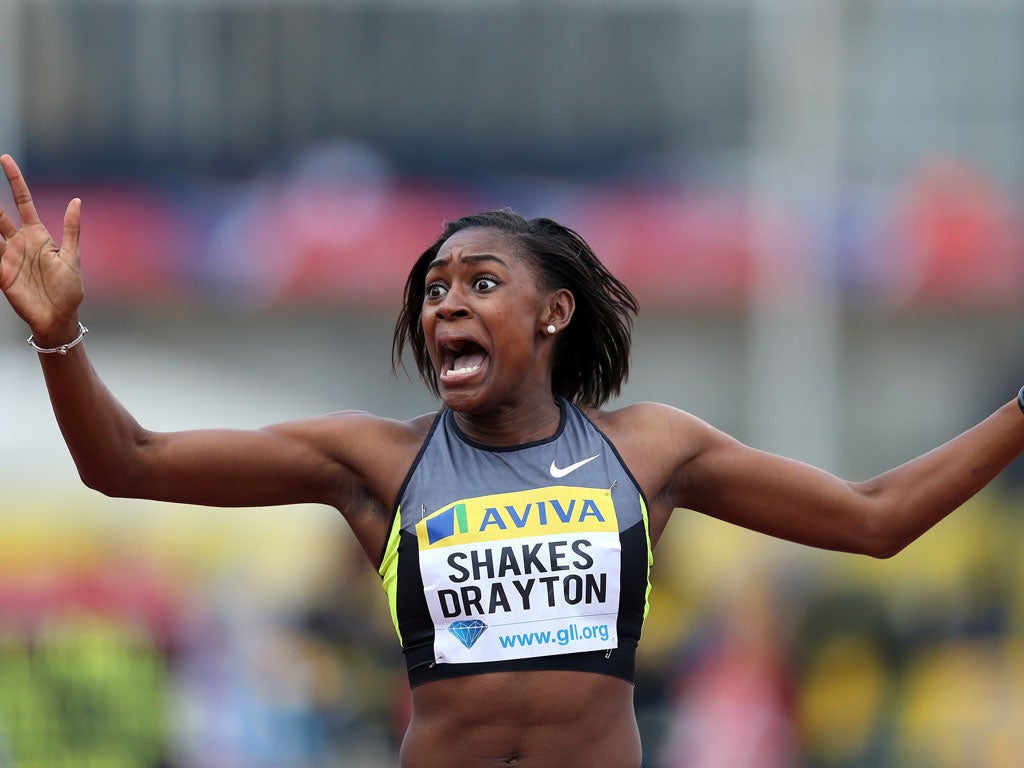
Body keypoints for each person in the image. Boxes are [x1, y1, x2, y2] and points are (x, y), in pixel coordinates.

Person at [2, 151, 1024, 768]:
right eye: (433, 288)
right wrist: (57, 339)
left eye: (479, 281)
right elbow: (124, 461)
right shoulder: (375, 462)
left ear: (552, 313)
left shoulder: (649, 450)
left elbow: (879, 517)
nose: (445, 301)